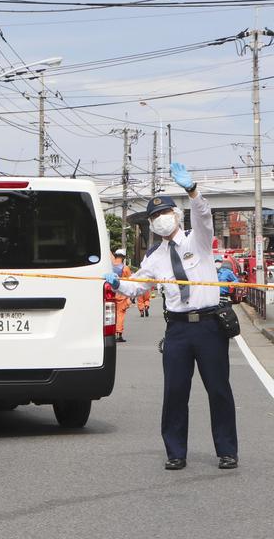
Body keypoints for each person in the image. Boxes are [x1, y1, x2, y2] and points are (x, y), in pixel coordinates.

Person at [105, 163, 238, 471]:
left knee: (218, 390)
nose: (160, 219)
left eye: (164, 212)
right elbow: (139, 286)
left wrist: (192, 190)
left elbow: (203, 215)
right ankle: (175, 452)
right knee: (175, 393)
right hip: (177, 330)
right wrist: (117, 283)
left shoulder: (197, 240)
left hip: (209, 326)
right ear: (152, 225)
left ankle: (227, 451)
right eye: (154, 216)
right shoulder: (154, 257)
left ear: (176, 215)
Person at [111, 249, 132, 341]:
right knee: (120, 314)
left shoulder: (109, 267)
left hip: (110, 293)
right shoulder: (125, 268)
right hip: (121, 294)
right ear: (123, 257)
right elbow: (131, 282)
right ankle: (118, 334)